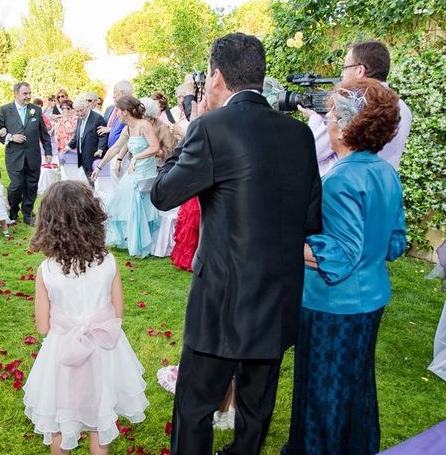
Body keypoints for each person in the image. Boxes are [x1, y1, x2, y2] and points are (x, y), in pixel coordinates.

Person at [150, 33, 322, 455]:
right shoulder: (300, 135)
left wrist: (191, 128)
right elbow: (310, 219)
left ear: (217, 77)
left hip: (222, 303)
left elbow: (162, 194)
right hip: (279, 296)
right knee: (256, 408)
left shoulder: (210, 127)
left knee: (194, 406)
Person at [282, 78, 407, 455]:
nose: (327, 119)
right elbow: (395, 243)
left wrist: (282, 242)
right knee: (355, 387)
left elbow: (339, 254)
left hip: (333, 307)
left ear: (349, 124)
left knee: (323, 393)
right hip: (370, 299)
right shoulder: (385, 171)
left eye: (332, 113)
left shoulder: (341, 177)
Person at [23, 180, 149, 454]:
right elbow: (118, 312)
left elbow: (43, 327)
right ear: (92, 218)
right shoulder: (109, 262)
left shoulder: (46, 270)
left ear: (48, 224)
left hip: (62, 355)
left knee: (60, 417)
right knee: (99, 417)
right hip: (104, 351)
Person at [299, 39, 412, 176]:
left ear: (360, 70)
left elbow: (312, 152)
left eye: (345, 68)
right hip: (383, 186)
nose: (342, 74)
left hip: (344, 188)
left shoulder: (352, 102)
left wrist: (315, 119)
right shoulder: (402, 108)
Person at [91, 96, 160, 258]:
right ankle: (130, 238)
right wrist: (99, 167)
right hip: (133, 170)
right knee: (119, 198)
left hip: (145, 171)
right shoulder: (127, 128)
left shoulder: (144, 125)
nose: (116, 114)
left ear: (125, 111)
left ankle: (139, 242)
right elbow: (115, 148)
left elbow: (155, 147)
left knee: (136, 203)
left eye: (118, 111)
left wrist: (136, 157)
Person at [0, 82, 52, 226]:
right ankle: (13, 211)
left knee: (32, 186)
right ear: (16, 94)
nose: (28, 96)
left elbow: (44, 133)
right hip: (15, 156)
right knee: (16, 185)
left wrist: (48, 151)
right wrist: (10, 137)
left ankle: (28, 214)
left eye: (29, 93)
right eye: (25, 93)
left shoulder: (36, 110)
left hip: (33, 155)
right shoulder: (5, 110)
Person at [63, 98, 107, 180]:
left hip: (93, 155)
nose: (79, 113)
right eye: (77, 111)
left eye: (81, 110)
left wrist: (100, 149)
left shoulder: (97, 118)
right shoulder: (80, 118)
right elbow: (77, 135)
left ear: (87, 107)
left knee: (93, 180)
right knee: (87, 179)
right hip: (82, 155)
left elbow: (102, 136)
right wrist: (68, 147)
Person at [141, 97, 175, 168]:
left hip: (157, 166)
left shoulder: (163, 127)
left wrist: (158, 152)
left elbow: (172, 151)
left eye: (141, 115)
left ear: (148, 116)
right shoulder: (139, 125)